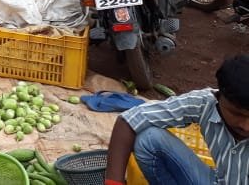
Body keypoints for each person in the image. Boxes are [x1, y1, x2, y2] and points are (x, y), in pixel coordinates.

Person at [103, 55, 249, 185]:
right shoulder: (204, 103)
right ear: (219, 96)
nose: (246, 126)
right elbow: (129, 120)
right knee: (149, 139)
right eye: (237, 114)